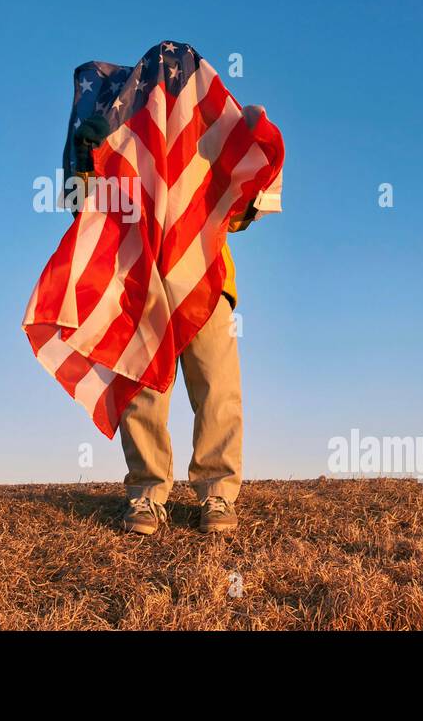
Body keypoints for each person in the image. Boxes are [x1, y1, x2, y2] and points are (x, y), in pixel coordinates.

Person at [70, 116, 251, 536]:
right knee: (143, 384)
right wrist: (89, 156)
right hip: (141, 276)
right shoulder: (117, 120)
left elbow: (240, 213)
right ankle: (147, 492)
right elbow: (81, 203)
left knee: (217, 384)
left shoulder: (208, 122)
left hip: (208, 276)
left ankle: (218, 489)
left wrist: (248, 146)